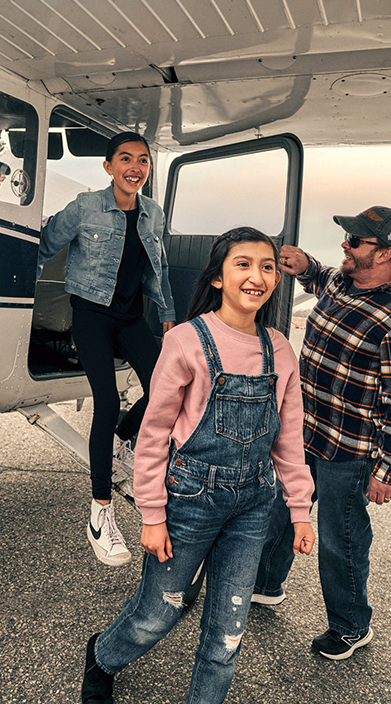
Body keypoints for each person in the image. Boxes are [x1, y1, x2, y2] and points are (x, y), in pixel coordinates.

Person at [81, 227, 315, 704]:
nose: (257, 276)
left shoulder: (280, 350)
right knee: (158, 614)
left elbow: (289, 438)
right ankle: (103, 656)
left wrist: (299, 510)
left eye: (267, 266)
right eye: (243, 264)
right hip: (190, 497)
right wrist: (151, 514)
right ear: (218, 278)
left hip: (253, 503)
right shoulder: (189, 341)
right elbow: (154, 432)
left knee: (227, 636)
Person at [253, 206, 391, 660]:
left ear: (386, 253)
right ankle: (266, 585)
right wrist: (301, 263)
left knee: (339, 540)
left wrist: (389, 469)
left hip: (348, 452)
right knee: (278, 512)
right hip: (303, 435)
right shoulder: (340, 282)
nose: (345, 246)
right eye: (347, 237)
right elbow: (320, 273)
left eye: (356, 241)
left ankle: (351, 627)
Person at [36, 132, 175, 567]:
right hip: (91, 316)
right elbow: (43, 245)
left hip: (132, 318)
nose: (135, 167)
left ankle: (119, 438)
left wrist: (168, 315)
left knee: (166, 390)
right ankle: (100, 511)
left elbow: (160, 267)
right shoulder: (85, 207)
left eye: (143, 161)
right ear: (108, 166)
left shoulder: (152, 212)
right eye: (126, 159)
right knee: (108, 399)